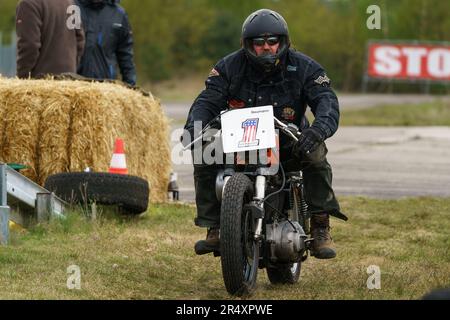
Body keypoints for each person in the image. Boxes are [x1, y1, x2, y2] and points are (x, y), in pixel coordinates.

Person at [182, 9, 347, 259]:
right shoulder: (228, 67)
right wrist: (194, 128)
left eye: (272, 41)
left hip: (290, 140)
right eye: (259, 43)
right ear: (248, 44)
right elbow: (207, 100)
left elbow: (326, 100)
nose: (266, 47)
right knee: (204, 150)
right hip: (242, 141)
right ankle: (214, 226)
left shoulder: (305, 67)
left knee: (316, 154)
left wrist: (317, 130)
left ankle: (320, 226)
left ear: (283, 42)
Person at [16, 0, 85, 79]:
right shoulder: (70, 2)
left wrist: (22, 77)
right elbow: (80, 40)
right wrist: (71, 67)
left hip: (41, 82)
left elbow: (29, 46)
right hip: (69, 81)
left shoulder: (28, 4)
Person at [75, 0, 137, 86]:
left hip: (107, 88)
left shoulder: (119, 14)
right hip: (75, 85)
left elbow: (126, 56)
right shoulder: (72, 8)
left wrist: (131, 86)